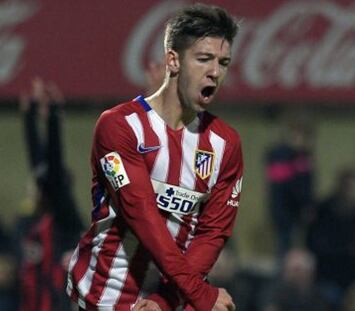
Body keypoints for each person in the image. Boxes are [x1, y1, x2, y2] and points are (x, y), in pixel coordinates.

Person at [66, 4, 243, 311]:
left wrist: (163, 302)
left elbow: (212, 234)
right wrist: (202, 296)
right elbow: (143, 216)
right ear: (173, 60)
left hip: (170, 302)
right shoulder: (119, 127)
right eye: (204, 59)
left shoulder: (225, 145)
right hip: (102, 300)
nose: (215, 71)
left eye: (223, 62)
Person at [16, 78, 85, 311]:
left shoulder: (65, 219)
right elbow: (42, 169)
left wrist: (52, 118)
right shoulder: (34, 221)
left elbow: (51, 170)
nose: (35, 186)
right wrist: (30, 117)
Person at [306, 167, 355, 309]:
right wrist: (347, 250)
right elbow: (314, 243)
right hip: (326, 277)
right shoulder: (323, 211)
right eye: (350, 186)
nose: (354, 192)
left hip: (354, 279)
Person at [265, 114, 314, 258]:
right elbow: (279, 179)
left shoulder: (305, 156)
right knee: (284, 247)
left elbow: (308, 184)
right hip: (283, 211)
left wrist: (308, 204)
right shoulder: (278, 154)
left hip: (301, 212)